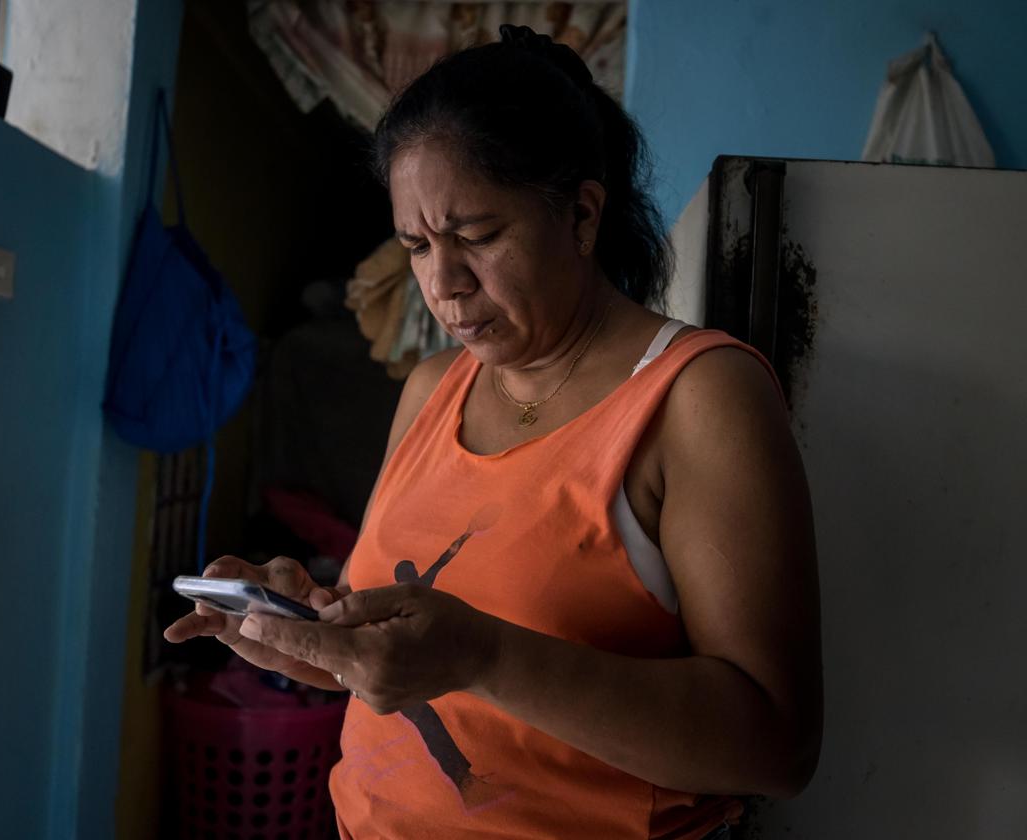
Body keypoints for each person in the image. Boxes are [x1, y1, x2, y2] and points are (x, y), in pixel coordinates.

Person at [165, 24, 822, 840]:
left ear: (581, 217)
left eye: (478, 237)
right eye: (416, 245)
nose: (443, 284)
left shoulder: (697, 398)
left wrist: (489, 656)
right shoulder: (432, 390)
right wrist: (304, 637)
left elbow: (776, 746)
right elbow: (398, 664)